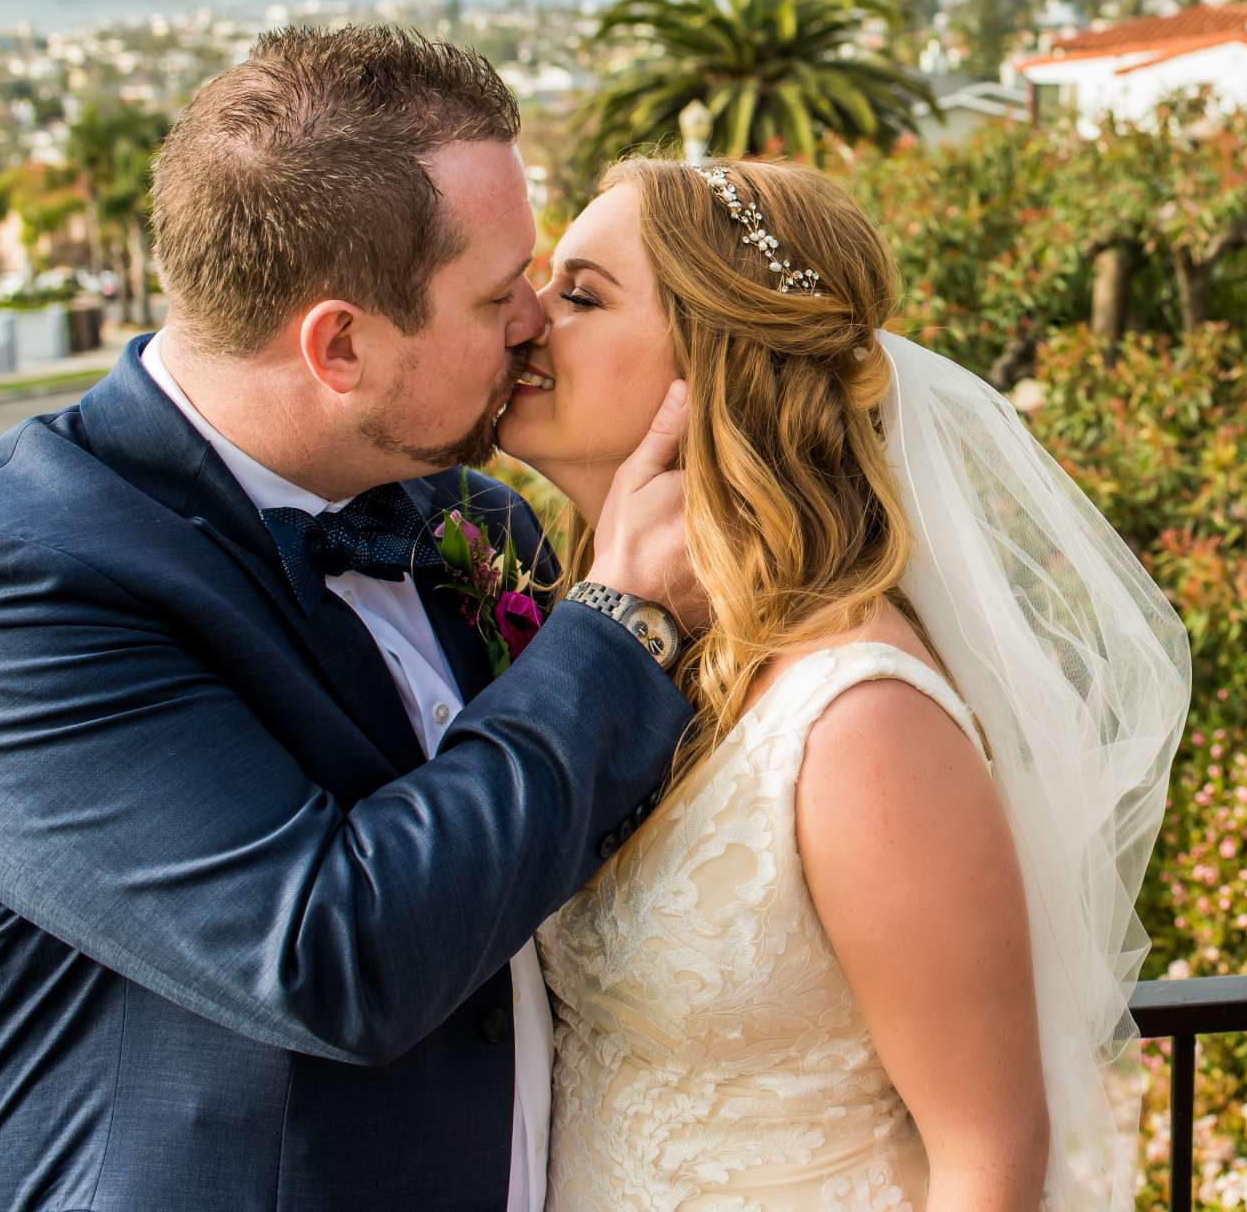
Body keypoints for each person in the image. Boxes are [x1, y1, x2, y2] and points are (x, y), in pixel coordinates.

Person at [0, 27, 700, 1212]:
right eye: (499, 293)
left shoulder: (475, 517)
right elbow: (334, 956)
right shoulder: (1, 586)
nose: (535, 319)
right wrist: (620, 626)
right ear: (338, 344)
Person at [498, 155, 1190, 1210]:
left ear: (717, 356)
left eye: (581, 295)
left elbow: (990, 1155)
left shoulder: (860, 717)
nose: (528, 319)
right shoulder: (638, 647)